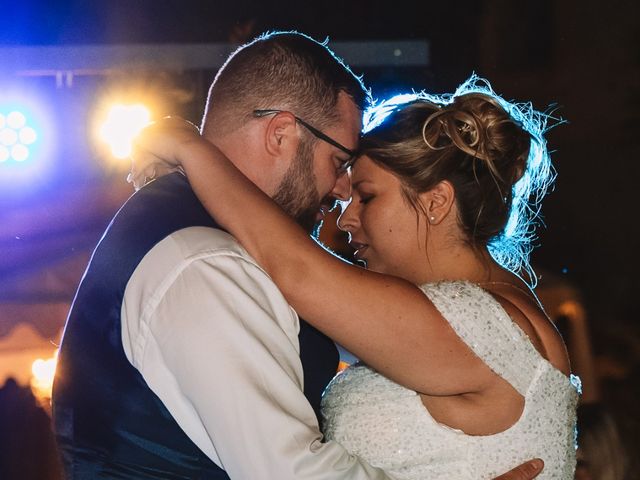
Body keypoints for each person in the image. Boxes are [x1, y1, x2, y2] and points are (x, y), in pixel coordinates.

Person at [52, 30, 540, 479]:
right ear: (280, 134)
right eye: (339, 161)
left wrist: (189, 148)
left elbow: (312, 280)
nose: (342, 192)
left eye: (361, 187)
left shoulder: (213, 245)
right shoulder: (210, 264)